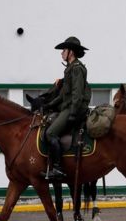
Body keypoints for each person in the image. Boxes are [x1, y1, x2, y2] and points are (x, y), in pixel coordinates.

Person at [41, 36, 92, 180]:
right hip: (67, 106)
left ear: (71, 52)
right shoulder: (70, 69)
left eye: (64, 50)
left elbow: (77, 93)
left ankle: (58, 169)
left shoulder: (77, 68)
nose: (61, 53)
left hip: (73, 108)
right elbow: (64, 94)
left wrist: (73, 112)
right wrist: (49, 105)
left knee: (50, 133)